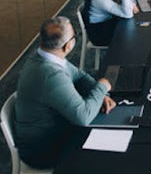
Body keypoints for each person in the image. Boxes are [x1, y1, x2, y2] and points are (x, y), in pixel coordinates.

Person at [14, 17, 115, 169]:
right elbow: (83, 117)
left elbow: (79, 75)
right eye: (75, 36)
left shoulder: (45, 55)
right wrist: (101, 87)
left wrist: (102, 96)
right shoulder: (51, 75)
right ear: (68, 45)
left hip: (52, 130)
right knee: (107, 154)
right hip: (43, 150)